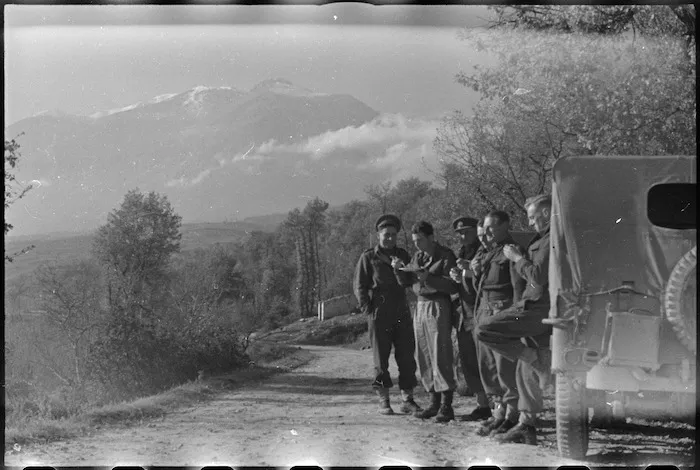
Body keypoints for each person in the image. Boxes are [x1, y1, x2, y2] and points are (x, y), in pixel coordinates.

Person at [475, 195, 553, 445]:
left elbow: (536, 277)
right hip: (530, 305)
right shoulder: (539, 240)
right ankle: (526, 424)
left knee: (485, 332)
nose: (530, 223)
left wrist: (518, 259)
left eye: (532, 217)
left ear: (546, 213)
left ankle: (521, 415)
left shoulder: (551, 240)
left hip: (536, 307)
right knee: (524, 367)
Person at [353, 214, 422, 415]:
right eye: (386, 235)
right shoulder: (368, 257)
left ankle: (407, 398)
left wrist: (400, 268)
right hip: (379, 311)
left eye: (393, 235)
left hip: (401, 308)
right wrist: (368, 310)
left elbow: (411, 280)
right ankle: (384, 399)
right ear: (378, 235)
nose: (390, 238)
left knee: (407, 357)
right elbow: (360, 286)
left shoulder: (403, 255)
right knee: (380, 360)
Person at [393, 221, 458, 422]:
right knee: (424, 354)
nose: (417, 245)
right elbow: (407, 282)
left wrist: (427, 278)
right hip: (420, 306)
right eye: (414, 241)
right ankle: (433, 401)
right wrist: (398, 269)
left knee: (440, 352)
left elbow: (452, 286)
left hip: (438, 305)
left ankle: (447, 405)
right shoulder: (418, 257)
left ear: (431, 237)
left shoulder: (445, 255)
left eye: (420, 240)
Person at [472, 210, 525, 437]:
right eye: (486, 228)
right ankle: (498, 413)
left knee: (504, 367)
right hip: (485, 309)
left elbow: (518, 288)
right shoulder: (490, 252)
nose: (488, 232)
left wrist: (514, 318)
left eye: (492, 227)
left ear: (505, 226)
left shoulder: (510, 251)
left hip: (502, 311)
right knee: (488, 367)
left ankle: (512, 416)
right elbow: (482, 285)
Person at [448, 217, 491, 421]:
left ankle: (498, 406)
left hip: (480, 310)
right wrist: (457, 275)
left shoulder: (483, 249)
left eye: (467, 232)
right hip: (465, 311)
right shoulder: (462, 251)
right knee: (469, 360)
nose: (463, 236)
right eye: (460, 233)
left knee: (487, 361)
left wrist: (466, 271)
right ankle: (482, 404)